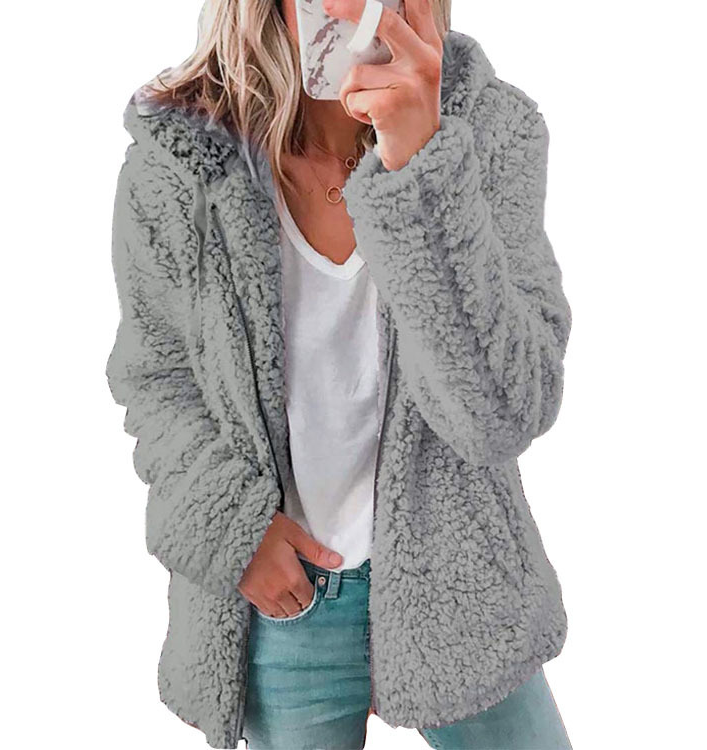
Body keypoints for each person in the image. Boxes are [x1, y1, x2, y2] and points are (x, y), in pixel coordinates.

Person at [106, 0, 573, 748]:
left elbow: (502, 415)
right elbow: (158, 378)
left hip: (461, 581)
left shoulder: (488, 131)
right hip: (287, 600)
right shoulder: (183, 157)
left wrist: (421, 168)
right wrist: (232, 530)